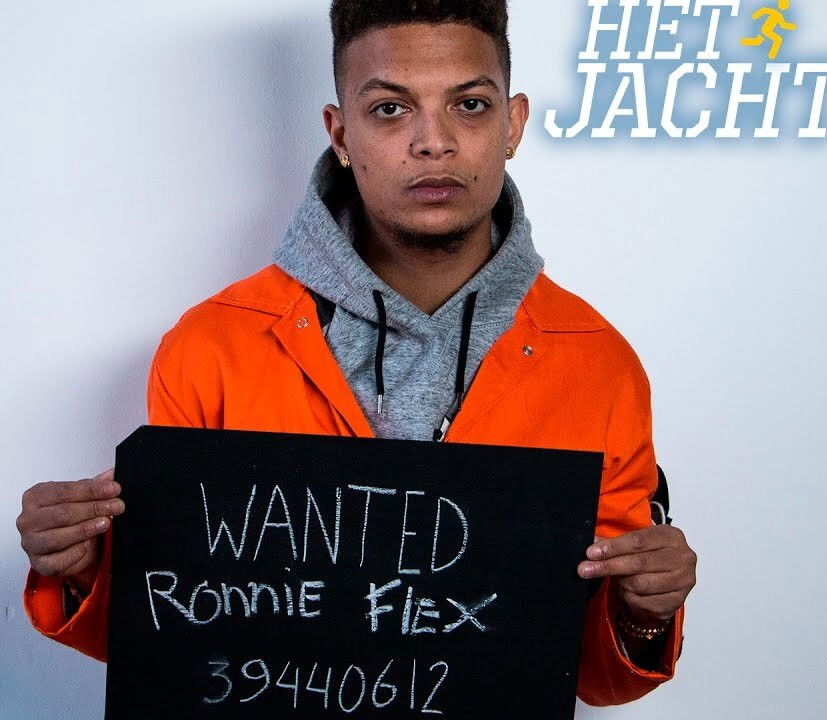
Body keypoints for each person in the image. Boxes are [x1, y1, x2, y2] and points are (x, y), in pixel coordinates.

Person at [15, 0, 696, 707]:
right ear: (341, 133)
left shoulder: (599, 367)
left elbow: (588, 672)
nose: (433, 143)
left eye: (468, 104)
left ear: (514, 124)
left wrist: (643, 612)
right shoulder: (213, 347)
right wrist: (82, 568)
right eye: (390, 110)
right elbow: (185, 636)